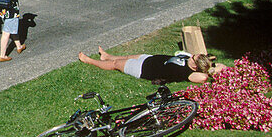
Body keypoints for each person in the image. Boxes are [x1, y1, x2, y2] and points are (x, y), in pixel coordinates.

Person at [77, 47, 225, 84]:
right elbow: (221, 65)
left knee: (116, 64)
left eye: (195, 58)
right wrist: (210, 63)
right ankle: (106, 56)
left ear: (196, 66)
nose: (194, 55)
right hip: (149, 59)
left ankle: (89, 60)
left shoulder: (189, 73)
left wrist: (211, 71)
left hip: (143, 70)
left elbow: (205, 76)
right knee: (125, 57)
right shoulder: (188, 59)